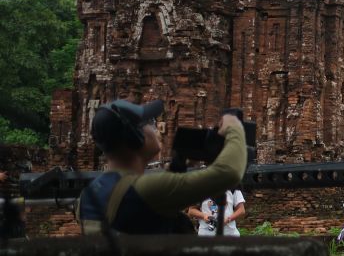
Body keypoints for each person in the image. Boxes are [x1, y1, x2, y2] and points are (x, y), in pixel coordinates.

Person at [78, 99, 246, 235]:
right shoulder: (145, 189)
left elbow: (143, 217)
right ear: (135, 136)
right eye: (150, 123)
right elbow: (229, 173)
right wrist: (233, 125)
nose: (157, 128)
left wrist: (178, 167)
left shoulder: (87, 196)